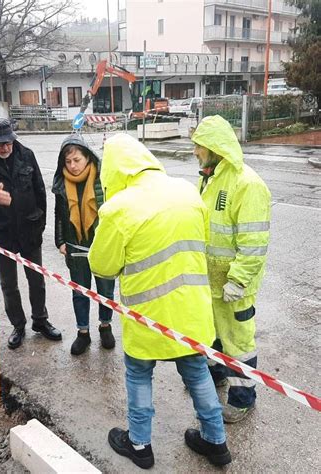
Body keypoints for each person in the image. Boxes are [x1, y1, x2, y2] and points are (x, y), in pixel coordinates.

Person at [88, 134, 231, 469]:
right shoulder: (186, 191)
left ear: (113, 171)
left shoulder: (119, 207)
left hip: (147, 319)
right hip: (192, 316)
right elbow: (202, 240)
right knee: (198, 373)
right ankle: (216, 442)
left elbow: (102, 266)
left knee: (139, 377)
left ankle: (140, 445)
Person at [191, 115, 271, 423]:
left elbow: (254, 243)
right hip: (212, 281)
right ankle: (217, 376)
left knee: (239, 342)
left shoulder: (247, 184)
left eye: (199, 146)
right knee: (214, 335)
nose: (195, 152)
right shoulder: (209, 178)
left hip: (234, 286)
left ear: (214, 147)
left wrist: (237, 280)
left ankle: (242, 399)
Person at [0, 117, 62, 350]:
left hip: (29, 229)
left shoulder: (26, 155)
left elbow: (41, 191)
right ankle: (18, 326)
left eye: (8, 141)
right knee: (9, 284)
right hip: (1, 233)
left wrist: (40, 223)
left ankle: (40, 321)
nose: (5, 147)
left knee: (36, 280)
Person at [52, 135, 115, 355]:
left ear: (87, 157)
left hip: (101, 246)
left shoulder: (103, 179)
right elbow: (59, 214)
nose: (73, 166)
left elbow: (113, 213)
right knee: (80, 292)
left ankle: (105, 326)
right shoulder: (61, 182)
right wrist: (60, 240)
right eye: (68, 162)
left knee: (105, 289)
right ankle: (83, 333)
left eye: (77, 160)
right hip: (74, 245)